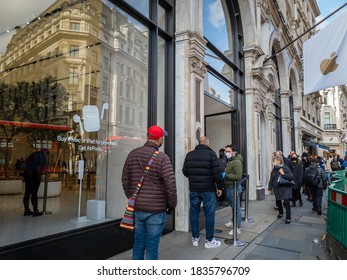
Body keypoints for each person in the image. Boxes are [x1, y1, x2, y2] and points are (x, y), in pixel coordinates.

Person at [122, 125, 177, 260]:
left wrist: (133, 198)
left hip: (138, 208)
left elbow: (125, 180)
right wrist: (172, 204)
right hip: (156, 211)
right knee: (152, 246)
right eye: (162, 138)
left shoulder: (132, 154)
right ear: (159, 140)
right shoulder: (162, 158)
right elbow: (171, 185)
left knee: (139, 243)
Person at [182, 136, 224, 249]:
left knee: (194, 213)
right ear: (207, 143)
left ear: (198, 143)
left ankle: (195, 238)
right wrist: (219, 187)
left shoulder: (189, 155)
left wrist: (194, 178)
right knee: (209, 214)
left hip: (194, 189)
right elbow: (217, 173)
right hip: (208, 190)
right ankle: (209, 240)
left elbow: (185, 171)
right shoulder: (211, 154)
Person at [223, 145, 243, 236]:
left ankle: (237, 227)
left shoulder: (236, 162)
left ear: (234, 152)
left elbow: (238, 176)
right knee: (233, 206)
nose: (226, 153)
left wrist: (225, 175)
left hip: (233, 187)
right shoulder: (230, 161)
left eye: (228, 151)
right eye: (225, 151)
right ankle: (233, 221)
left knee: (236, 207)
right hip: (229, 187)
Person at [22, 148, 49, 217]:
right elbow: (42, 165)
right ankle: (35, 211)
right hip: (34, 174)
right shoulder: (42, 155)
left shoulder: (34, 154)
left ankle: (26, 210)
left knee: (27, 192)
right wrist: (44, 171)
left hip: (26, 173)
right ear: (45, 152)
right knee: (34, 192)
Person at [268, 155, 294, 224]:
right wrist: (270, 188)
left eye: (274, 161)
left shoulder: (285, 168)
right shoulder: (274, 169)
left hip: (285, 187)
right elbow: (272, 179)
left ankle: (288, 218)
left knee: (286, 202)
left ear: (279, 161)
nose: (273, 162)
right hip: (277, 188)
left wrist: (283, 173)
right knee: (278, 201)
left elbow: (291, 177)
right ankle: (281, 213)